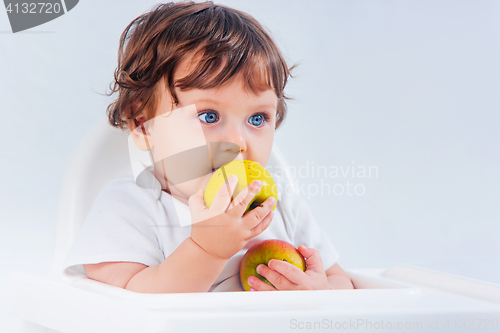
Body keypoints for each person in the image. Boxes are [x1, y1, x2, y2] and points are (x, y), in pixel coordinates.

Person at [63, 1, 354, 293]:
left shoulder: (281, 207)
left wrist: (318, 294)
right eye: (209, 116)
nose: (238, 143)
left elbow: (342, 282)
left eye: (257, 118)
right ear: (143, 125)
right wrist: (207, 250)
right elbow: (124, 306)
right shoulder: (129, 208)